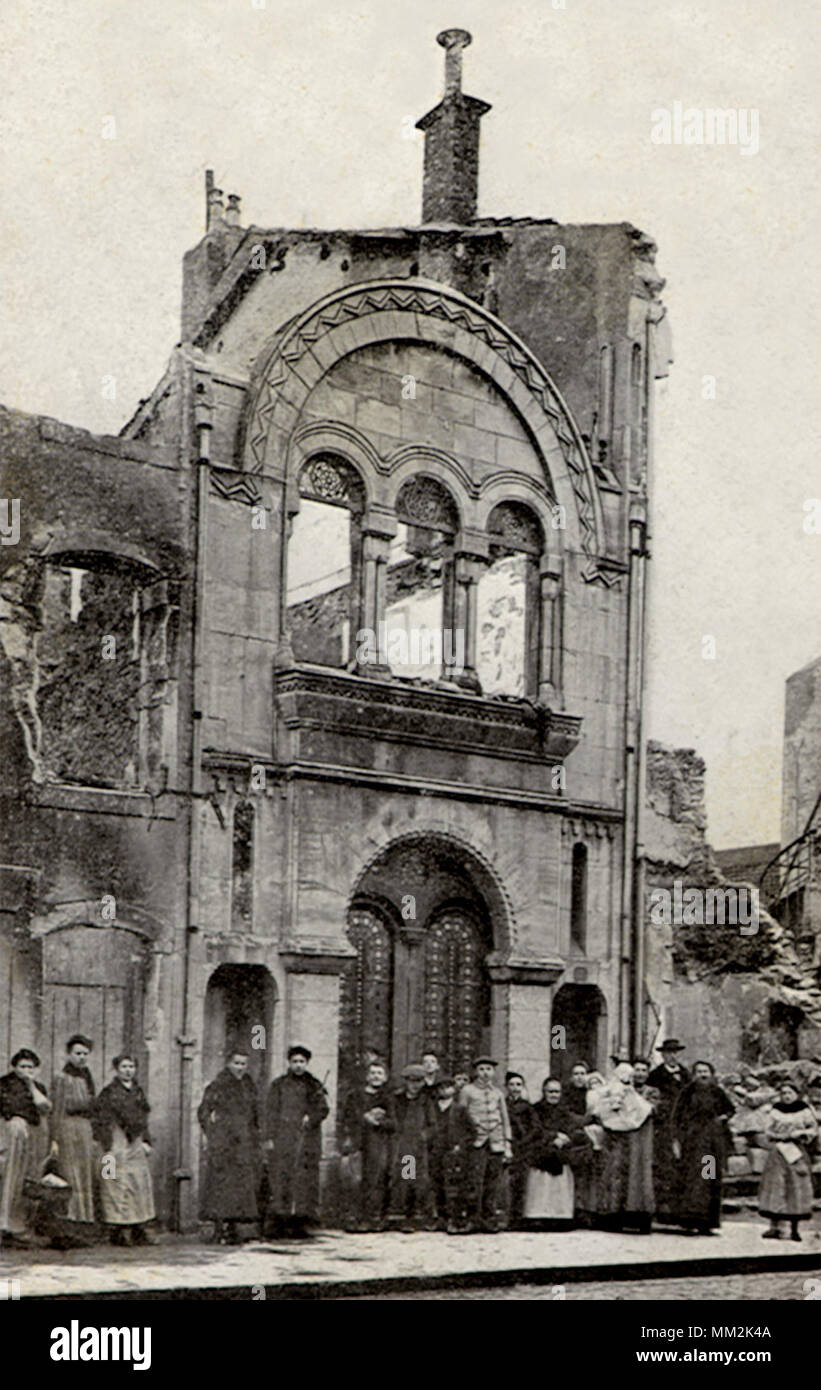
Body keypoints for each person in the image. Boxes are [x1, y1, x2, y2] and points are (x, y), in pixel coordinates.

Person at [264, 1046, 328, 1238]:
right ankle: (280, 1223)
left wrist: (312, 1117)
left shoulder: (314, 1085)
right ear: (289, 1063)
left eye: (302, 1062)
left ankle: (301, 1223)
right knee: (282, 1179)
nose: (298, 1065)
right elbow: (271, 1111)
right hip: (284, 1140)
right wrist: (269, 1138)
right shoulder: (279, 1085)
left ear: (307, 1063)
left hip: (307, 1141)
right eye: (295, 1062)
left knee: (304, 1182)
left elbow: (323, 1109)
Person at [198, 1050, 261, 1243]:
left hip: (243, 1142)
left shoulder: (248, 1085)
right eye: (236, 1063)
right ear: (228, 1064)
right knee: (221, 1185)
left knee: (240, 1186)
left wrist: (254, 1135)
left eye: (243, 1064)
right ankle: (219, 1228)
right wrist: (213, 1132)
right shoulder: (218, 1085)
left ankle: (235, 1227)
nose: (240, 1068)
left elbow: (256, 1113)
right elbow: (204, 1112)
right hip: (223, 1143)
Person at [93, 1055, 156, 1246]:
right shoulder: (108, 1093)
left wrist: (146, 1140)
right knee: (113, 1181)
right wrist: (107, 1147)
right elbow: (101, 1121)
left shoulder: (138, 1092)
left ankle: (138, 1226)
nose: (128, 1070)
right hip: (114, 1140)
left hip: (134, 1141)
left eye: (131, 1066)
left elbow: (143, 1119)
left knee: (139, 1182)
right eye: (124, 1067)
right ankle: (118, 1229)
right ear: (116, 1070)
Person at [588, 1062, 655, 1233]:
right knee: (614, 1176)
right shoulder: (612, 1091)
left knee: (636, 1177)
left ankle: (638, 1216)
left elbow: (648, 1111)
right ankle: (613, 1216)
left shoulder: (648, 1092)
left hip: (638, 1144)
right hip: (616, 1141)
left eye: (641, 1071)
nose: (635, 1077)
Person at [671, 1060, 733, 1235]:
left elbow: (730, 1110)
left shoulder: (717, 1092)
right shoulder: (687, 1092)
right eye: (699, 1071)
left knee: (709, 1178)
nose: (703, 1075)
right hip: (692, 1144)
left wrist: (722, 1119)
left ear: (711, 1074)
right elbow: (677, 1117)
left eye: (706, 1071)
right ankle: (689, 1222)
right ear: (694, 1074)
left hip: (711, 1147)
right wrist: (678, 1138)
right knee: (691, 1180)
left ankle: (706, 1222)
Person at [0, 1048, 51, 1247]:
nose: (26, 1070)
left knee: (26, 1180)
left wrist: (30, 1084)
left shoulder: (38, 1087)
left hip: (33, 1136)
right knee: (9, 1178)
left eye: (30, 1067)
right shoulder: (4, 1084)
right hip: (10, 1134)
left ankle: (18, 1227)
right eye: (22, 1066)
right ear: (14, 1067)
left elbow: (45, 1107)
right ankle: (5, 1225)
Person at [523, 1078, 588, 1229]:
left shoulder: (564, 1110)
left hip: (561, 1151)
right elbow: (535, 1129)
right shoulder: (535, 1109)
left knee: (561, 1183)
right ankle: (537, 1216)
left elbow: (573, 1128)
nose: (554, 1095)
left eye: (557, 1092)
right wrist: (553, 1137)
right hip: (542, 1150)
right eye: (550, 1091)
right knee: (541, 1183)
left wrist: (566, 1138)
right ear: (544, 1092)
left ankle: (559, 1216)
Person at [758, 1081, 817, 1243]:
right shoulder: (775, 1111)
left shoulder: (804, 1111)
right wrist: (777, 1136)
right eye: (783, 1093)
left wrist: (801, 1133)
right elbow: (767, 1130)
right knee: (776, 1187)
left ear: (796, 1094)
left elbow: (813, 1129)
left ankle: (795, 1229)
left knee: (796, 1188)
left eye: (790, 1093)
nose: (786, 1096)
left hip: (796, 1151)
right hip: (779, 1152)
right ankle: (774, 1226)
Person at [341, 1059, 395, 1230]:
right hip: (358, 1141)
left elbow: (394, 1123)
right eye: (372, 1073)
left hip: (378, 1143)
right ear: (367, 1076)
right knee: (355, 1180)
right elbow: (347, 1118)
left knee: (376, 1179)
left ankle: (373, 1217)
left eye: (379, 1073)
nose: (376, 1077)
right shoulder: (354, 1095)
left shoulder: (388, 1098)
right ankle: (354, 1217)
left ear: (385, 1077)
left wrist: (379, 1123)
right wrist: (364, 1117)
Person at [459, 1057, 512, 1233]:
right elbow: (461, 1116)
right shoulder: (467, 1091)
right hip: (477, 1143)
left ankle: (489, 1219)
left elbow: (505, 1120)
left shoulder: (498, 1094)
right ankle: (472, 1219)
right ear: (475, 1071)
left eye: (488, 1069)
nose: (485, 1073)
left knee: (492, 1182)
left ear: (494, 1072)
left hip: (496, 1143)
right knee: (474, 1181)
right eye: (481, 1069)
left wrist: (507, 1144)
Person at [52, 1035, 97, 1239]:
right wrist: (55, 1137)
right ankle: (68, 1223)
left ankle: (84, 1223)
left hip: (85, 1128)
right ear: (68, 1054)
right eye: (77, 1053)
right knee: (71, 1174)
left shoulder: (86, 1076)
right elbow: (58, 1109)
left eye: (85, 1054)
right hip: (68, 1127)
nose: (81, 1057)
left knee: (85, 1172)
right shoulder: (62, 1078)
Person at [647, 1039, 690, 1223]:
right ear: (663, 1055)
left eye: (675, 1053)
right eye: (669, 1053)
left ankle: (681, 1208)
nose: (673, 1056)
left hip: (683, 1125)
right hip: (664, 1125)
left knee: (683, 1164)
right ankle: (663, 1208)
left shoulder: (685, 1074)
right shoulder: (655, 1075)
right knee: (665, 1164)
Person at [388, 1063, 434, 1230]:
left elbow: (432, 1124)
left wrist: (424, 1136)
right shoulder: (398, 1099)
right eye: (411, 1081)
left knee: (417, 1180)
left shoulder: (425, 1101)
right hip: (402, 1145)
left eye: (418, 1081)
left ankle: (416, 1214)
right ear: (406, 1081)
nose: (415, 1085)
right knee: (405, 1179)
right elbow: (393, 1120)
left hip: (418, 1146)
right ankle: (402, 1215)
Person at [428, 1076, 472, 1233]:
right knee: (436, 1184)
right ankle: (441, 1218)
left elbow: (471, 1131)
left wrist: (460, 1145)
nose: (444, 1090)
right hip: (434, 1151)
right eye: (440, 1087)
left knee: (454, 1186)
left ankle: (456, 1220)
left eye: (447, 1086)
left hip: (452, 1152)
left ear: (454, 1089)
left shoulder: (460, 1109)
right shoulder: (431, 1108)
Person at [505, 1071, 537, 1227]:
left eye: (518, 1085)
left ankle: (517, 1218)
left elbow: (536, 1128)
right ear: (506, 1087)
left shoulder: (527, 1107)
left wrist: (524, 1141)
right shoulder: (502, 1104)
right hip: (506, 1146)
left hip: (523, 1148)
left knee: (520, 1183)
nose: (515, 1088)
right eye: (512, 1084)